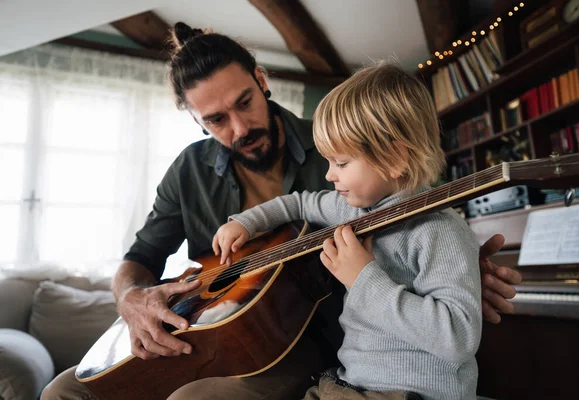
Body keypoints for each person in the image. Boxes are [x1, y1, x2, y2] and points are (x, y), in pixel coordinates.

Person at [42, 23, 521, 400]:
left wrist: (458, 270)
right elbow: (141, 256)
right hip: (210, 326)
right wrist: (131, 301)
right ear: (194, 118)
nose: (239, 127)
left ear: (262, 80)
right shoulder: (188, 170)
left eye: (244, 102)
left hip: (303, 342)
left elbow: (413, 205)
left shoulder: (340, 143)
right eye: (214, 119)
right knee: (63, 392)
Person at [213, 61, 481, 399]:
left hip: (411, 393)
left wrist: (363, 278)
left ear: (395, 158)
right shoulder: (348, 207)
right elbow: (296, 203)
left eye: (341, 163)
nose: (329, 175)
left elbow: (458, 337)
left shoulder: (438, 230)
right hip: (349, 384)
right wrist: (245, 222)